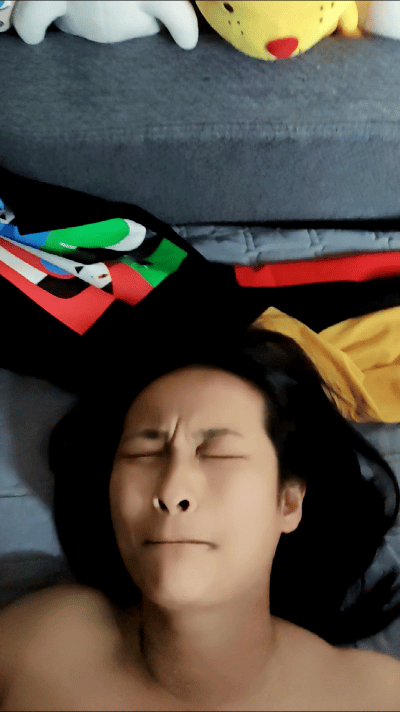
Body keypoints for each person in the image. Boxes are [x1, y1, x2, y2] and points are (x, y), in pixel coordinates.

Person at [1, 324, 400, 710]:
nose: (172, 491)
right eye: (143, 454)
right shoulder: (32, 645)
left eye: (219, 455)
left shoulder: (379, 698)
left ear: (288, 502)